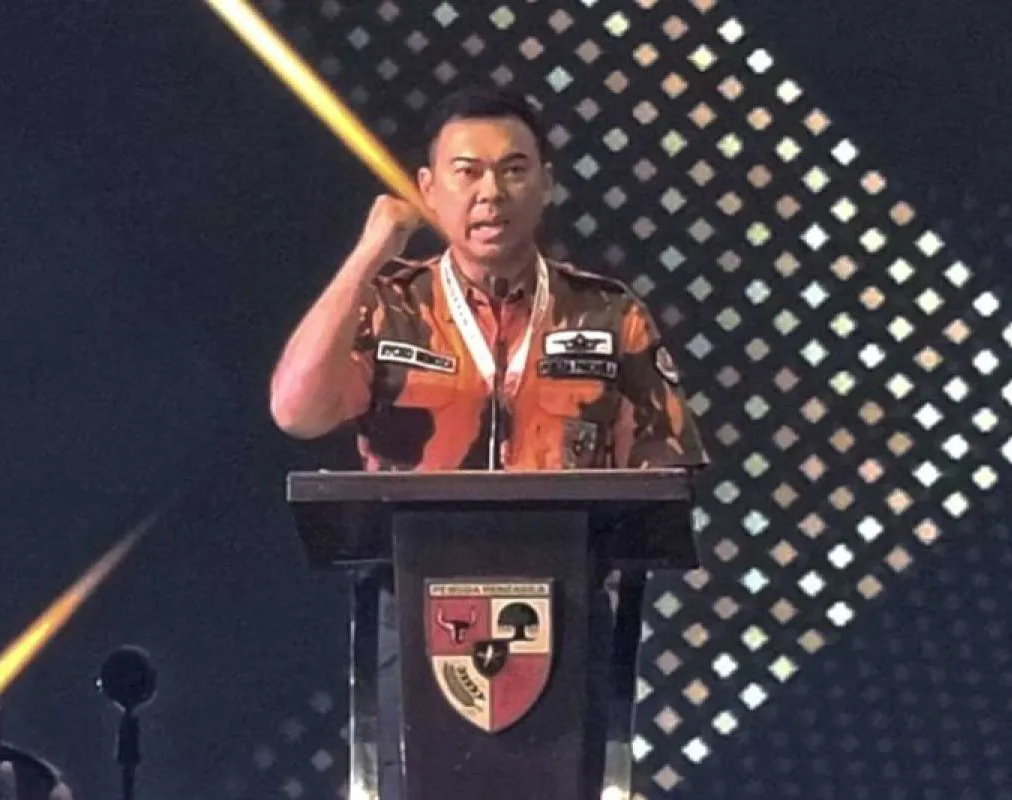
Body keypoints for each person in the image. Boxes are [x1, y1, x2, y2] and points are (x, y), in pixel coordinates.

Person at [268, 84, 710, 796]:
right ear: (428, 188)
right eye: (467, 172)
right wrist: (368, 255)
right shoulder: (389, 307)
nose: (490, 193)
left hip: (570, 622)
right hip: (412, 619)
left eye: (513, 170)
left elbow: (666, 477)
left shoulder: (607, 313)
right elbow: (296, 410)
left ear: (547, 184)